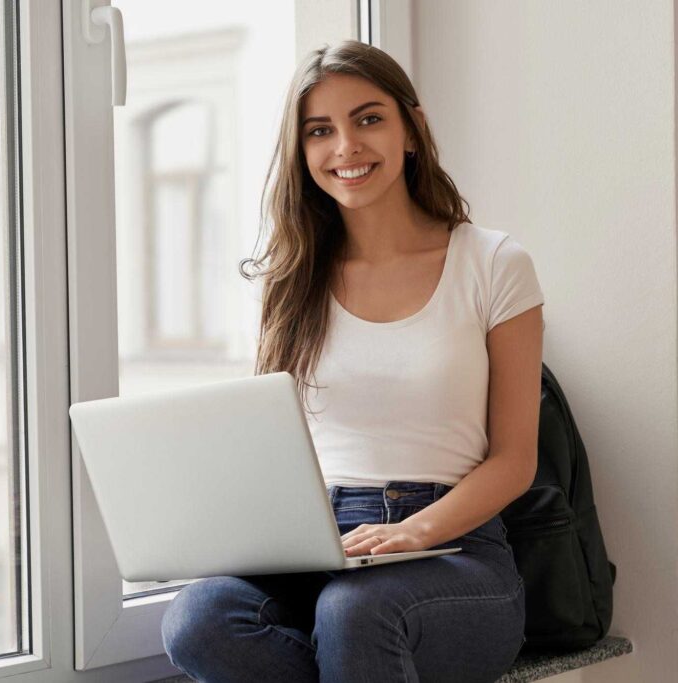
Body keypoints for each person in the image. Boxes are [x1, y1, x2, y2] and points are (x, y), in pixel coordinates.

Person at [161, 39, 544, 683]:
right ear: (302, 151)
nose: (346, 147)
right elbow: (274, 444)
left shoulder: (494, 263)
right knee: (199, 619)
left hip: (455, 547)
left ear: (412, 131)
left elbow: (515, 461)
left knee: (354, 613)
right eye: (320, 131)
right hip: (319, 540)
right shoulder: (289, 280)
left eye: (369, 118)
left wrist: (415, 532)